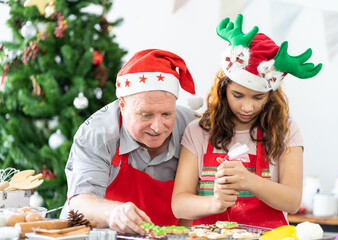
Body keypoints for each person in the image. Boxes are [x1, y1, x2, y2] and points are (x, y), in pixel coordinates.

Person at [171, 14, 322, 228]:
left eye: (258, 97)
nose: (247, 107)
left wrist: (249, 181)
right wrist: (215, 203)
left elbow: (293, 201)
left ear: (270, 95)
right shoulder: (199, 131)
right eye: (238, 95)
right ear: (223, 90)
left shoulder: (286, 130)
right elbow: (179, 204)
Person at [60, 49, 198, 234]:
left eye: (166, 114)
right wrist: (112, 214)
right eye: (146, 114)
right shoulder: (97, 134)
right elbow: (80, 204)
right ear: (123, 105)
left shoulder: (193, 128)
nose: (158, 127)